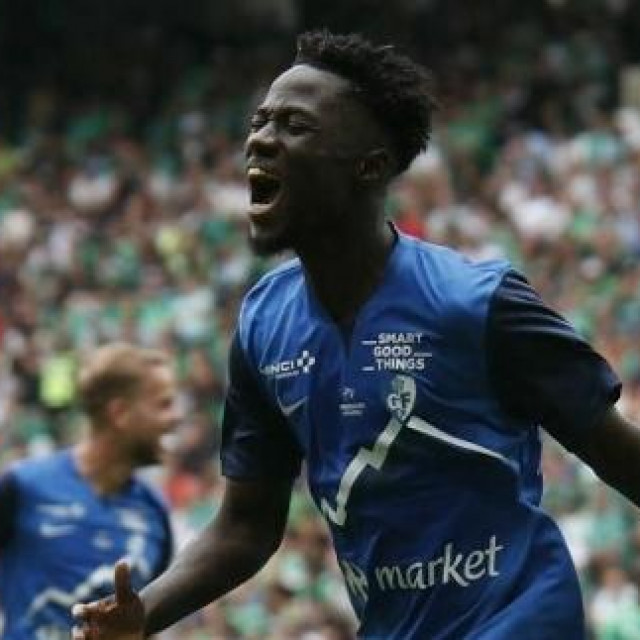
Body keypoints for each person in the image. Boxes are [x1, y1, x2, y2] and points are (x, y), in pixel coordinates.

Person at [72, 30, 640, 640]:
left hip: (521, 622)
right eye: (260, 121)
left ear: (370, 166)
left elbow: (615, 452)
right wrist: (142, 616)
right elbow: (245, 527)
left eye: (296, 125)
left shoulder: (475, 304)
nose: (260, 138)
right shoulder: (266, 322)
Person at [0, 342, 178, 639]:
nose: (174, 418)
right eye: (163, 404)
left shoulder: (155, 513)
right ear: (120, 412)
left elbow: (148, 626)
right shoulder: (23, 486)